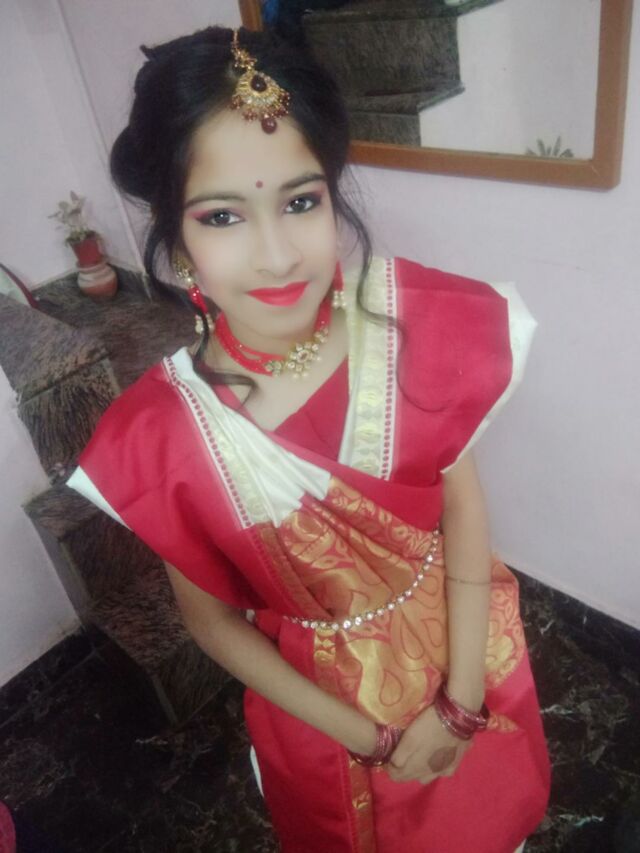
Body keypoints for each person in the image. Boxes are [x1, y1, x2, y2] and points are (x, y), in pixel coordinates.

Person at [66, 25, 550, 853]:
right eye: (223, 215)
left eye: (300, 201)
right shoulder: (164, 436)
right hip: (325, 718)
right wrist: (373, 738)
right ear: (175, 241)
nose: (278, 254)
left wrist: (461, 700)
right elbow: (214, 623)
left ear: (333, 197)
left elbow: (463, 509)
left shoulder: (406, 329)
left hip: (465, 648)